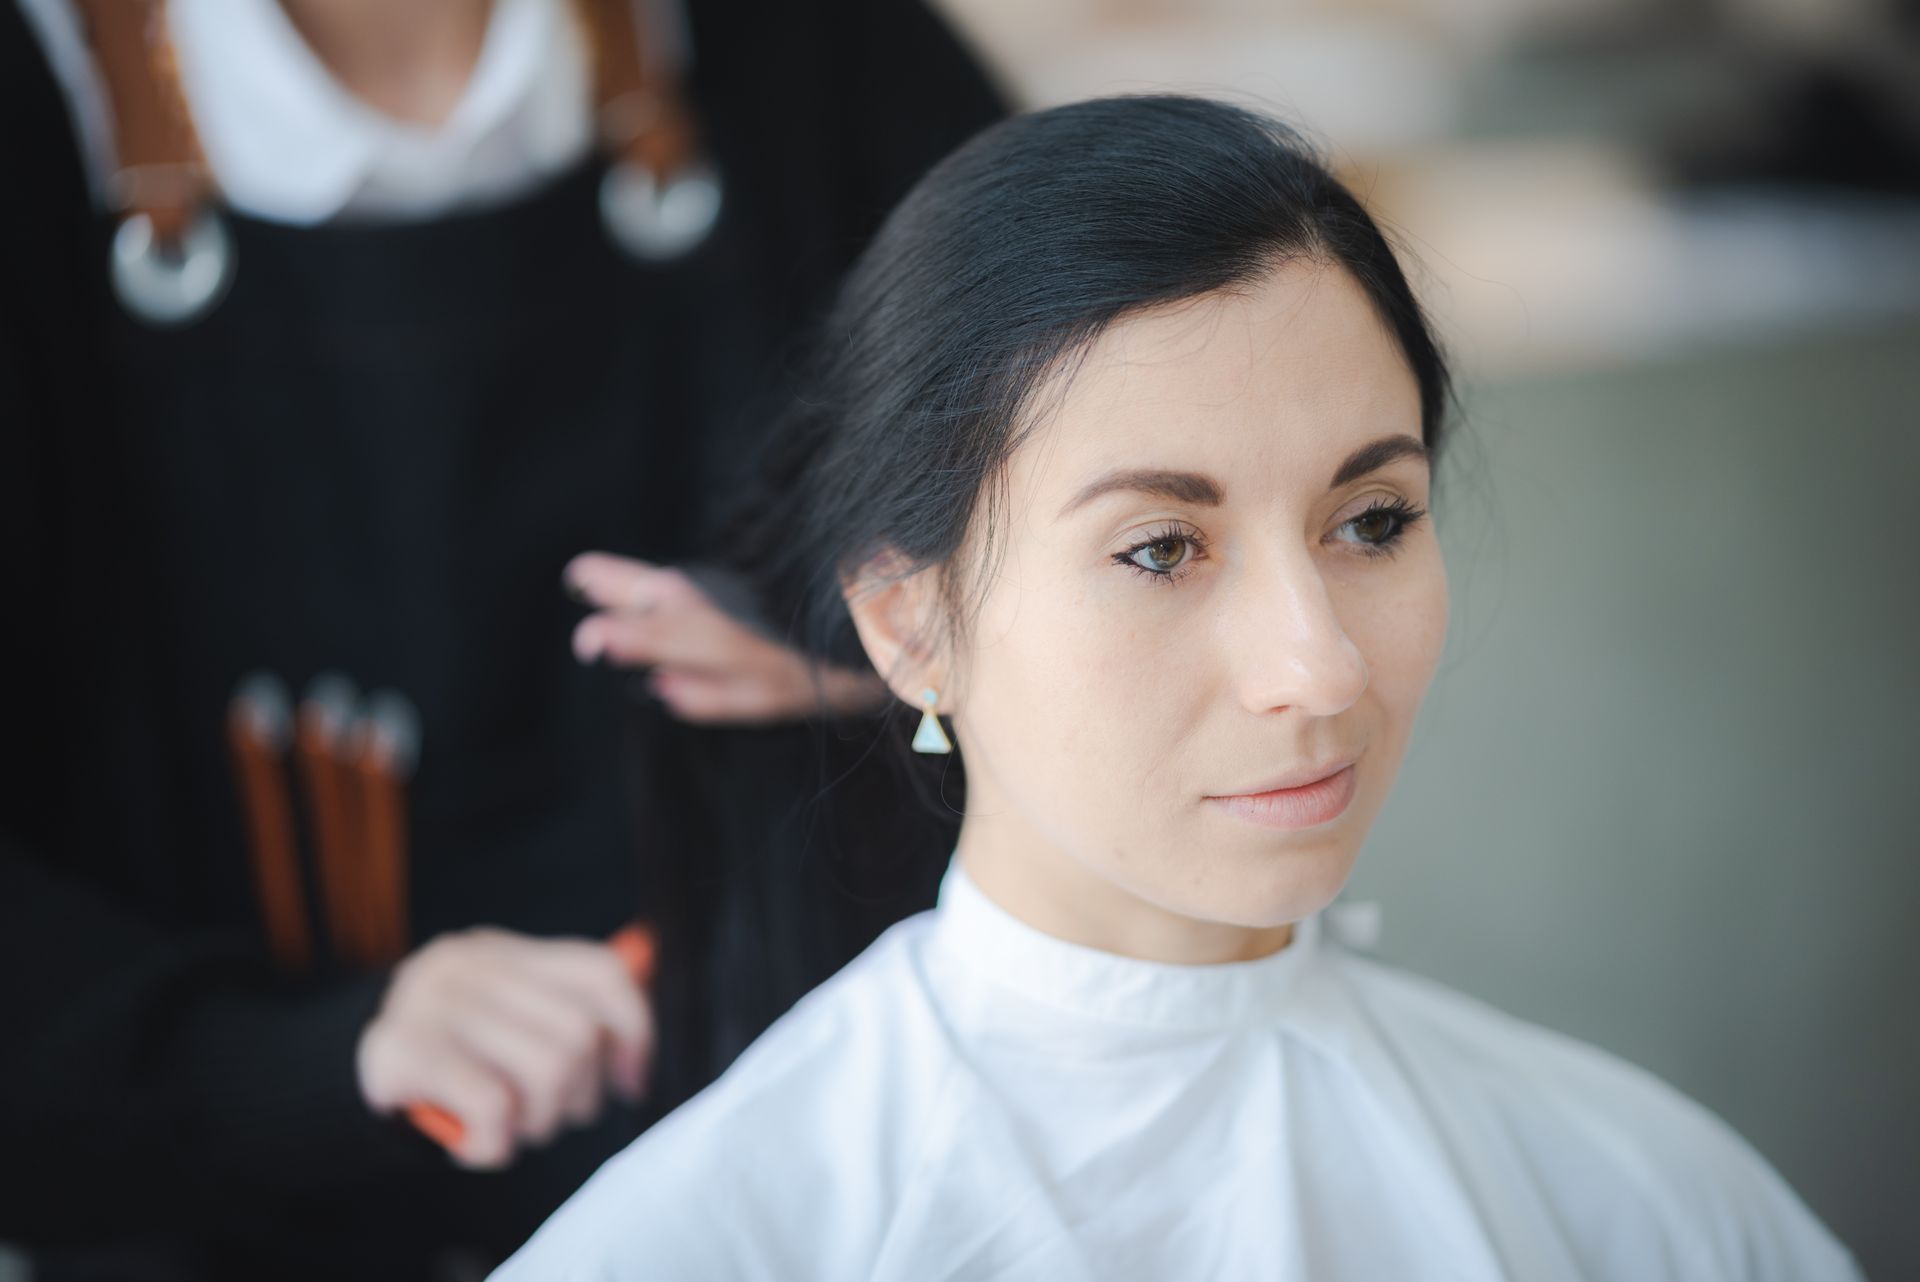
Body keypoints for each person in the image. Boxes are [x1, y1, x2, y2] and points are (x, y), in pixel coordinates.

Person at [490, 95, 1866, 1280]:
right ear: (911, 626)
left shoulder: (1641, 1200)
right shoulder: (717, 1236)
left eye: (1372, 519)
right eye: (1161, 548)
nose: (1317, 664)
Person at [0, 0, 1003, 1275]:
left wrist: (907, 648)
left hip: (825, 1181)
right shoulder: (35, 107)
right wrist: (309, 1056)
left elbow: (1084, 509)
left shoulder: (806, 47)